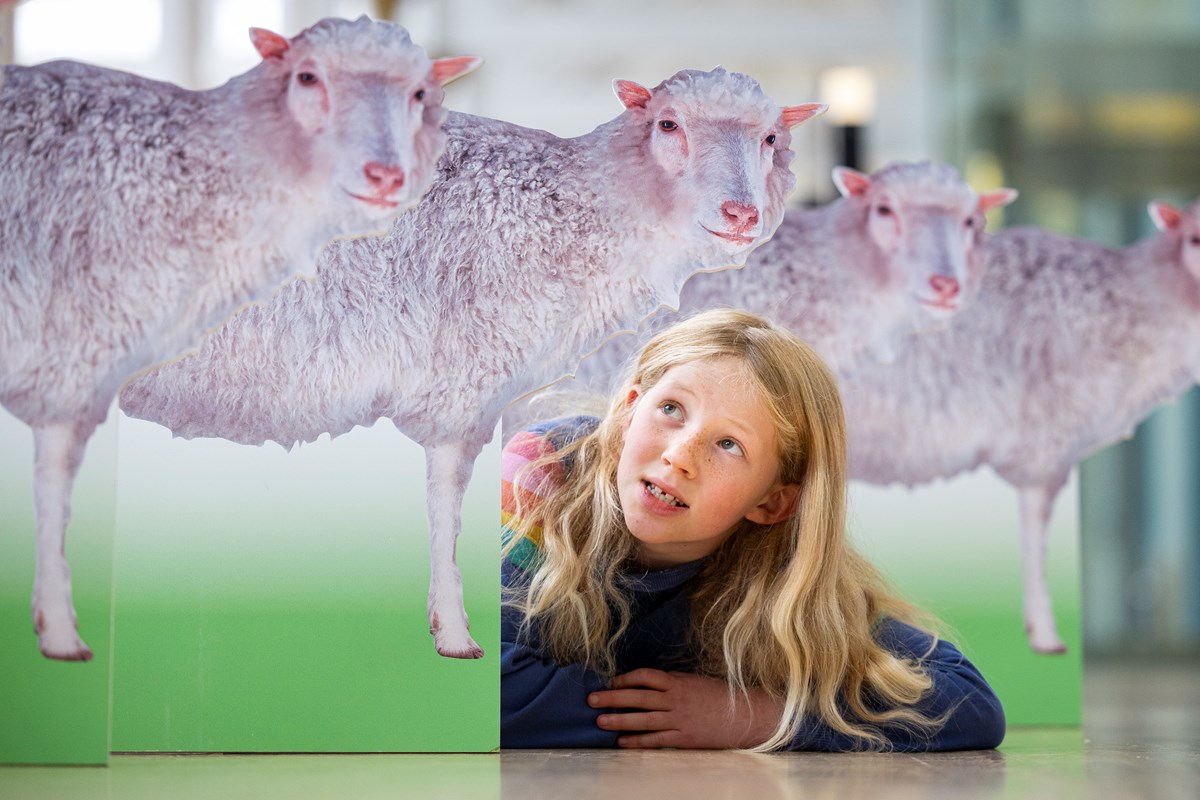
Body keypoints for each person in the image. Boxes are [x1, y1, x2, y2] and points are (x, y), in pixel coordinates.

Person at [501, 308, 1004, 751]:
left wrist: (749, 717)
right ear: (630, 411)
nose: (679, 456)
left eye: (729, 445)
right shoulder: (539, 475)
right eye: (670, 409)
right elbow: (480, 685)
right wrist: (659, 718)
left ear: (772, 502)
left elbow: (969, 701)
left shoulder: (780, 572)